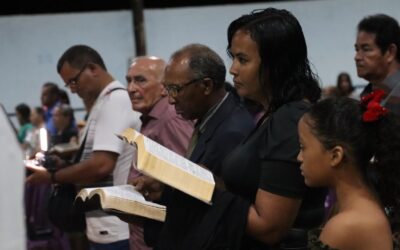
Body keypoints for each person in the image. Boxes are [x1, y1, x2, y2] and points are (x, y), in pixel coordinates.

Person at [215, 8, 326, 249]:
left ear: (276, 65)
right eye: (232, 57)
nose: (233, 69)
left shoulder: (289, 120)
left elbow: (270, 228)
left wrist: (208, 190)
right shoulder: (274, 113)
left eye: (243, 60)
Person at [134, 43, 255, 249]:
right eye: (167, 89)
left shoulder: (232, 132)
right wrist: (164, 187)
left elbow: (224, 211)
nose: (171, 100)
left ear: (206, 86)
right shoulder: (210, 118)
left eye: (176, 89)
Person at [26, 44, 142, 250]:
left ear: (93, 69)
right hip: (104, 224)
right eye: (68, 84)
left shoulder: (115, 101)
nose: (72, 89)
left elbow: (101, 166)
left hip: (116, 226)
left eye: (73, 80)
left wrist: (52, 177)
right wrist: (65, 164)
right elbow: (94, 161)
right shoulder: (103, 103)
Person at [297, 95, 399, 249]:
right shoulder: (348, 206)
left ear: (335, 156)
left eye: (303, 147)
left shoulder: (347, 224)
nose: (299, 157)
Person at [125, 56, 193, 250]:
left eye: (140, 80)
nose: (131, 89)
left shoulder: (169, 119)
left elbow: (190, 177)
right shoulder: (153, 117)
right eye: (128, 80)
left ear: (164, 87)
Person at [355, 14, 400, 97]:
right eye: (357, 49)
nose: (357, 57)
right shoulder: (366, 95)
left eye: (366, 49)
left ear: (390, 52)